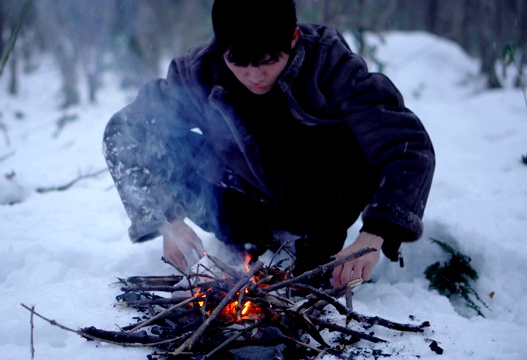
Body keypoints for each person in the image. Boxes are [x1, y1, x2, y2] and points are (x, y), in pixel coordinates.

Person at [103, 0, 435, 288]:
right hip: (241, 205)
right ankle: (248, 243)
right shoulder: (199, 73)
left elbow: (407, 146)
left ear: (293, 38)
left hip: (320, 203)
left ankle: (308, 248)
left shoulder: (331, 66)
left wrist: (373, 235)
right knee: (170, 141)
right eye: (240, 64)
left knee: (362, 144)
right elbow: (126, 131)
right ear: (223, 49)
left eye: (267, 61)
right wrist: (168, 221)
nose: (254, 76)